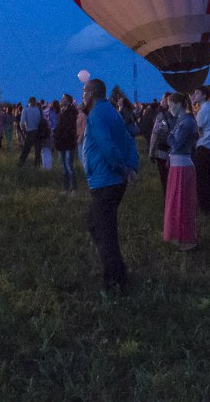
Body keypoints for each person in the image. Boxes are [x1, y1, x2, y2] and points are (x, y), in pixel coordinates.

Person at [81, 77, 139, 295]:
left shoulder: (96, 115)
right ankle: (116, 268)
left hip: (106, 181)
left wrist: (125, 168)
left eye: (84, 92)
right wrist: (132, 167)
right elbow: (129, 140)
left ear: (92, 93)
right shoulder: (112, 111)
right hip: (110, 180)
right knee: (95, 224)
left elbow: (107, 146)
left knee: (105, 233)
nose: (82, 96)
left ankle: (115, 282)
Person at [163, 92, 199, 250]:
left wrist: (166, 132)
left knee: (181, 203)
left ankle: (186, 239)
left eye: (170, 104)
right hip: (179, 165)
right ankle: (179, 235)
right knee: (178, 201)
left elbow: (176, 144)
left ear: (178, 104)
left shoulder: (186, 122)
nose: (169, 107)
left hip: (182, 166)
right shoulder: (183, 121)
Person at [191, 85, 210, 213]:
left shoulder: (203, 111)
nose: (194, 96)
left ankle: (206, 209)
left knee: (202, 181)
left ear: (204, 95)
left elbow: (196, 130)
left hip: (204, 148)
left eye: (197, 93)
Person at [54, 93, 80, 193]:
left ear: (68, 101)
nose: (61, 100)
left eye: (63, 98)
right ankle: (65, 188)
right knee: (63, 166)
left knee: (69, 165)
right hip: (61, 142)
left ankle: (73, 188)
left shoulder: (72, 112)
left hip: (68, 142)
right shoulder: (62, 112)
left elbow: (69, 128)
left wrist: (60, 135)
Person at [18, 97, 44, 167]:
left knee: (26, 150)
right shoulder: (39, 110)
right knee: (37, 150)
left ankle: (20, 164)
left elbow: (22, 123)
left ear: (28, 102)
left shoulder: (25, 110)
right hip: (39, 132)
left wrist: (24, 132)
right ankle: (37, 166)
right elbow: (43, 121)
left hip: (30, 132)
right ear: (35, 102)